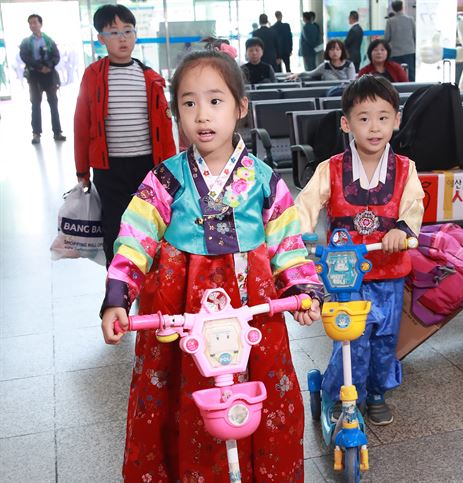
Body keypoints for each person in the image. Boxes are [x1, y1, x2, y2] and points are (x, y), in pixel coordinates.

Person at [100, 49, 324, 480]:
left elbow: (287, 239)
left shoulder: (262, 178)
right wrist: (118, 296)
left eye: (215, 100)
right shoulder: (165, 179)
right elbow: (134, 239)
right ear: (175, 113)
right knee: (184, 392)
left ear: (240, 107)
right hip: (182, 303)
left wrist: (301, 288)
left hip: (251, 303)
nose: (202, 115)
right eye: (189, 103)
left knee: (259, 389)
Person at [296, 75, 425, 425]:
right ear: (346, 122)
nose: (374, 127)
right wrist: (296, 241)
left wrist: (402, 228)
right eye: (363, 118)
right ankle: (341, 391)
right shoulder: (331, 169)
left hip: (389, 272)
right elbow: (304, 209)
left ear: (396, 120)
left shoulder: (406, 169)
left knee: (384, 338)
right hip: (343, 273)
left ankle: (378, 392)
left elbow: (414, 206)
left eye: (383, 117)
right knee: (349, 338)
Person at [74, 4, 176, 266]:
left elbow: (165, 130)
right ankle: (117, 282)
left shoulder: (149, 78)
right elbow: (81, 125)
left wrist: (170, 170)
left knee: (150, 224)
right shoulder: (93, 75)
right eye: (114, 32)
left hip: (147, 166)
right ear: (101, 39)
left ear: (135, 35)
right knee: (115, 225)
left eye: (128, 31)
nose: (122, 38)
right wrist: (82, 172)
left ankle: (149, 280)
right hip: (109, 168)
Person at [19, 14, 65, 144]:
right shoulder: (26, 42)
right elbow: (24, 56)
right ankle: (36, 134)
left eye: (34, 22)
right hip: (34, 75)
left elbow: (56, 56)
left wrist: (48, 66)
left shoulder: (48, 40)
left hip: (49, 75)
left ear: (40, 24)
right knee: (35, 104)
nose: (32, 25)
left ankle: (57, 132)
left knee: (53, 104)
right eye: (30, 23)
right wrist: (39, 67)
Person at [287, 39, 355, 82]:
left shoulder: (349, 65)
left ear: (342, 51)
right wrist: (298, 74)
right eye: (331, 49)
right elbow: (311, 73)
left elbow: (352, 84)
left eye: (337, 49)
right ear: (327, 52)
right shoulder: (325, 66)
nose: (335, 52)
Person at [384, 1, 416, 82]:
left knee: (395, 74)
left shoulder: (390, 21)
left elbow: (386, 38)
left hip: (395, 53)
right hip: (409, 51)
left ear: (393, 9)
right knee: (410, 73)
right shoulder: (410, 19)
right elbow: (415, 36)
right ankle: (412, 91)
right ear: (402, 7)